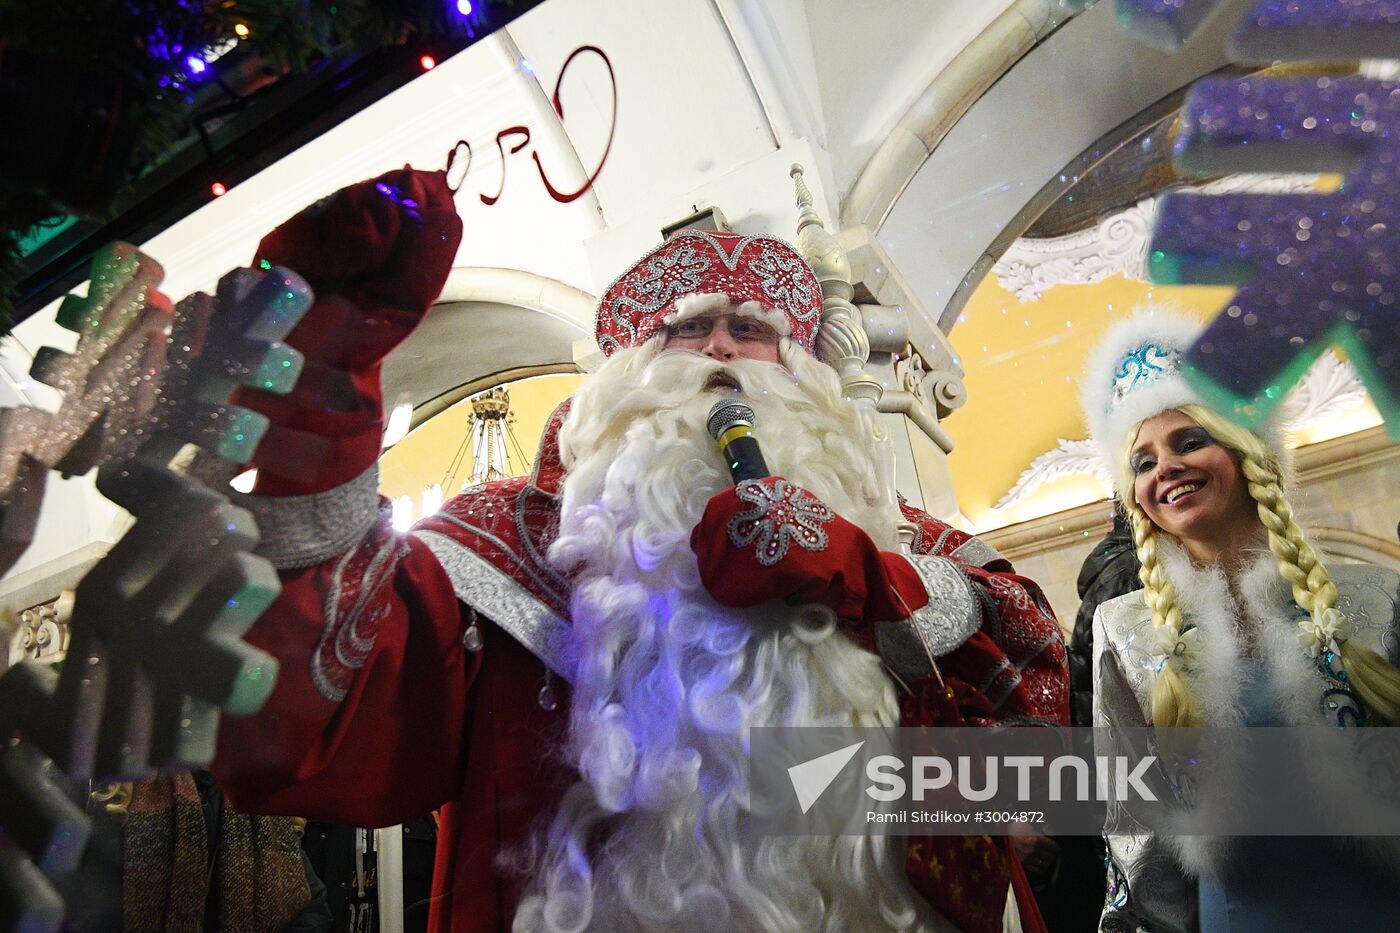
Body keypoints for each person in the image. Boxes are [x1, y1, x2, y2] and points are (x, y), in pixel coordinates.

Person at [211, 167, 1069, 932]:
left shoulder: (898, 537)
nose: (724, 346)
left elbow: (1039, 768)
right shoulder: (506, 538)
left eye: (751, 328)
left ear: (802, 372)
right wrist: (320, 409)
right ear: (627, 374)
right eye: (689, 330)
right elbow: (305, 722)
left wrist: (867, 580)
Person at [1082, 310, 1400, 932]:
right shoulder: (1123, 632)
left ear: (1248, 454)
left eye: (1189, 441)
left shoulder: (1379, 595)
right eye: (1142, 462)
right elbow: (1134, 830)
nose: (1165, 468)